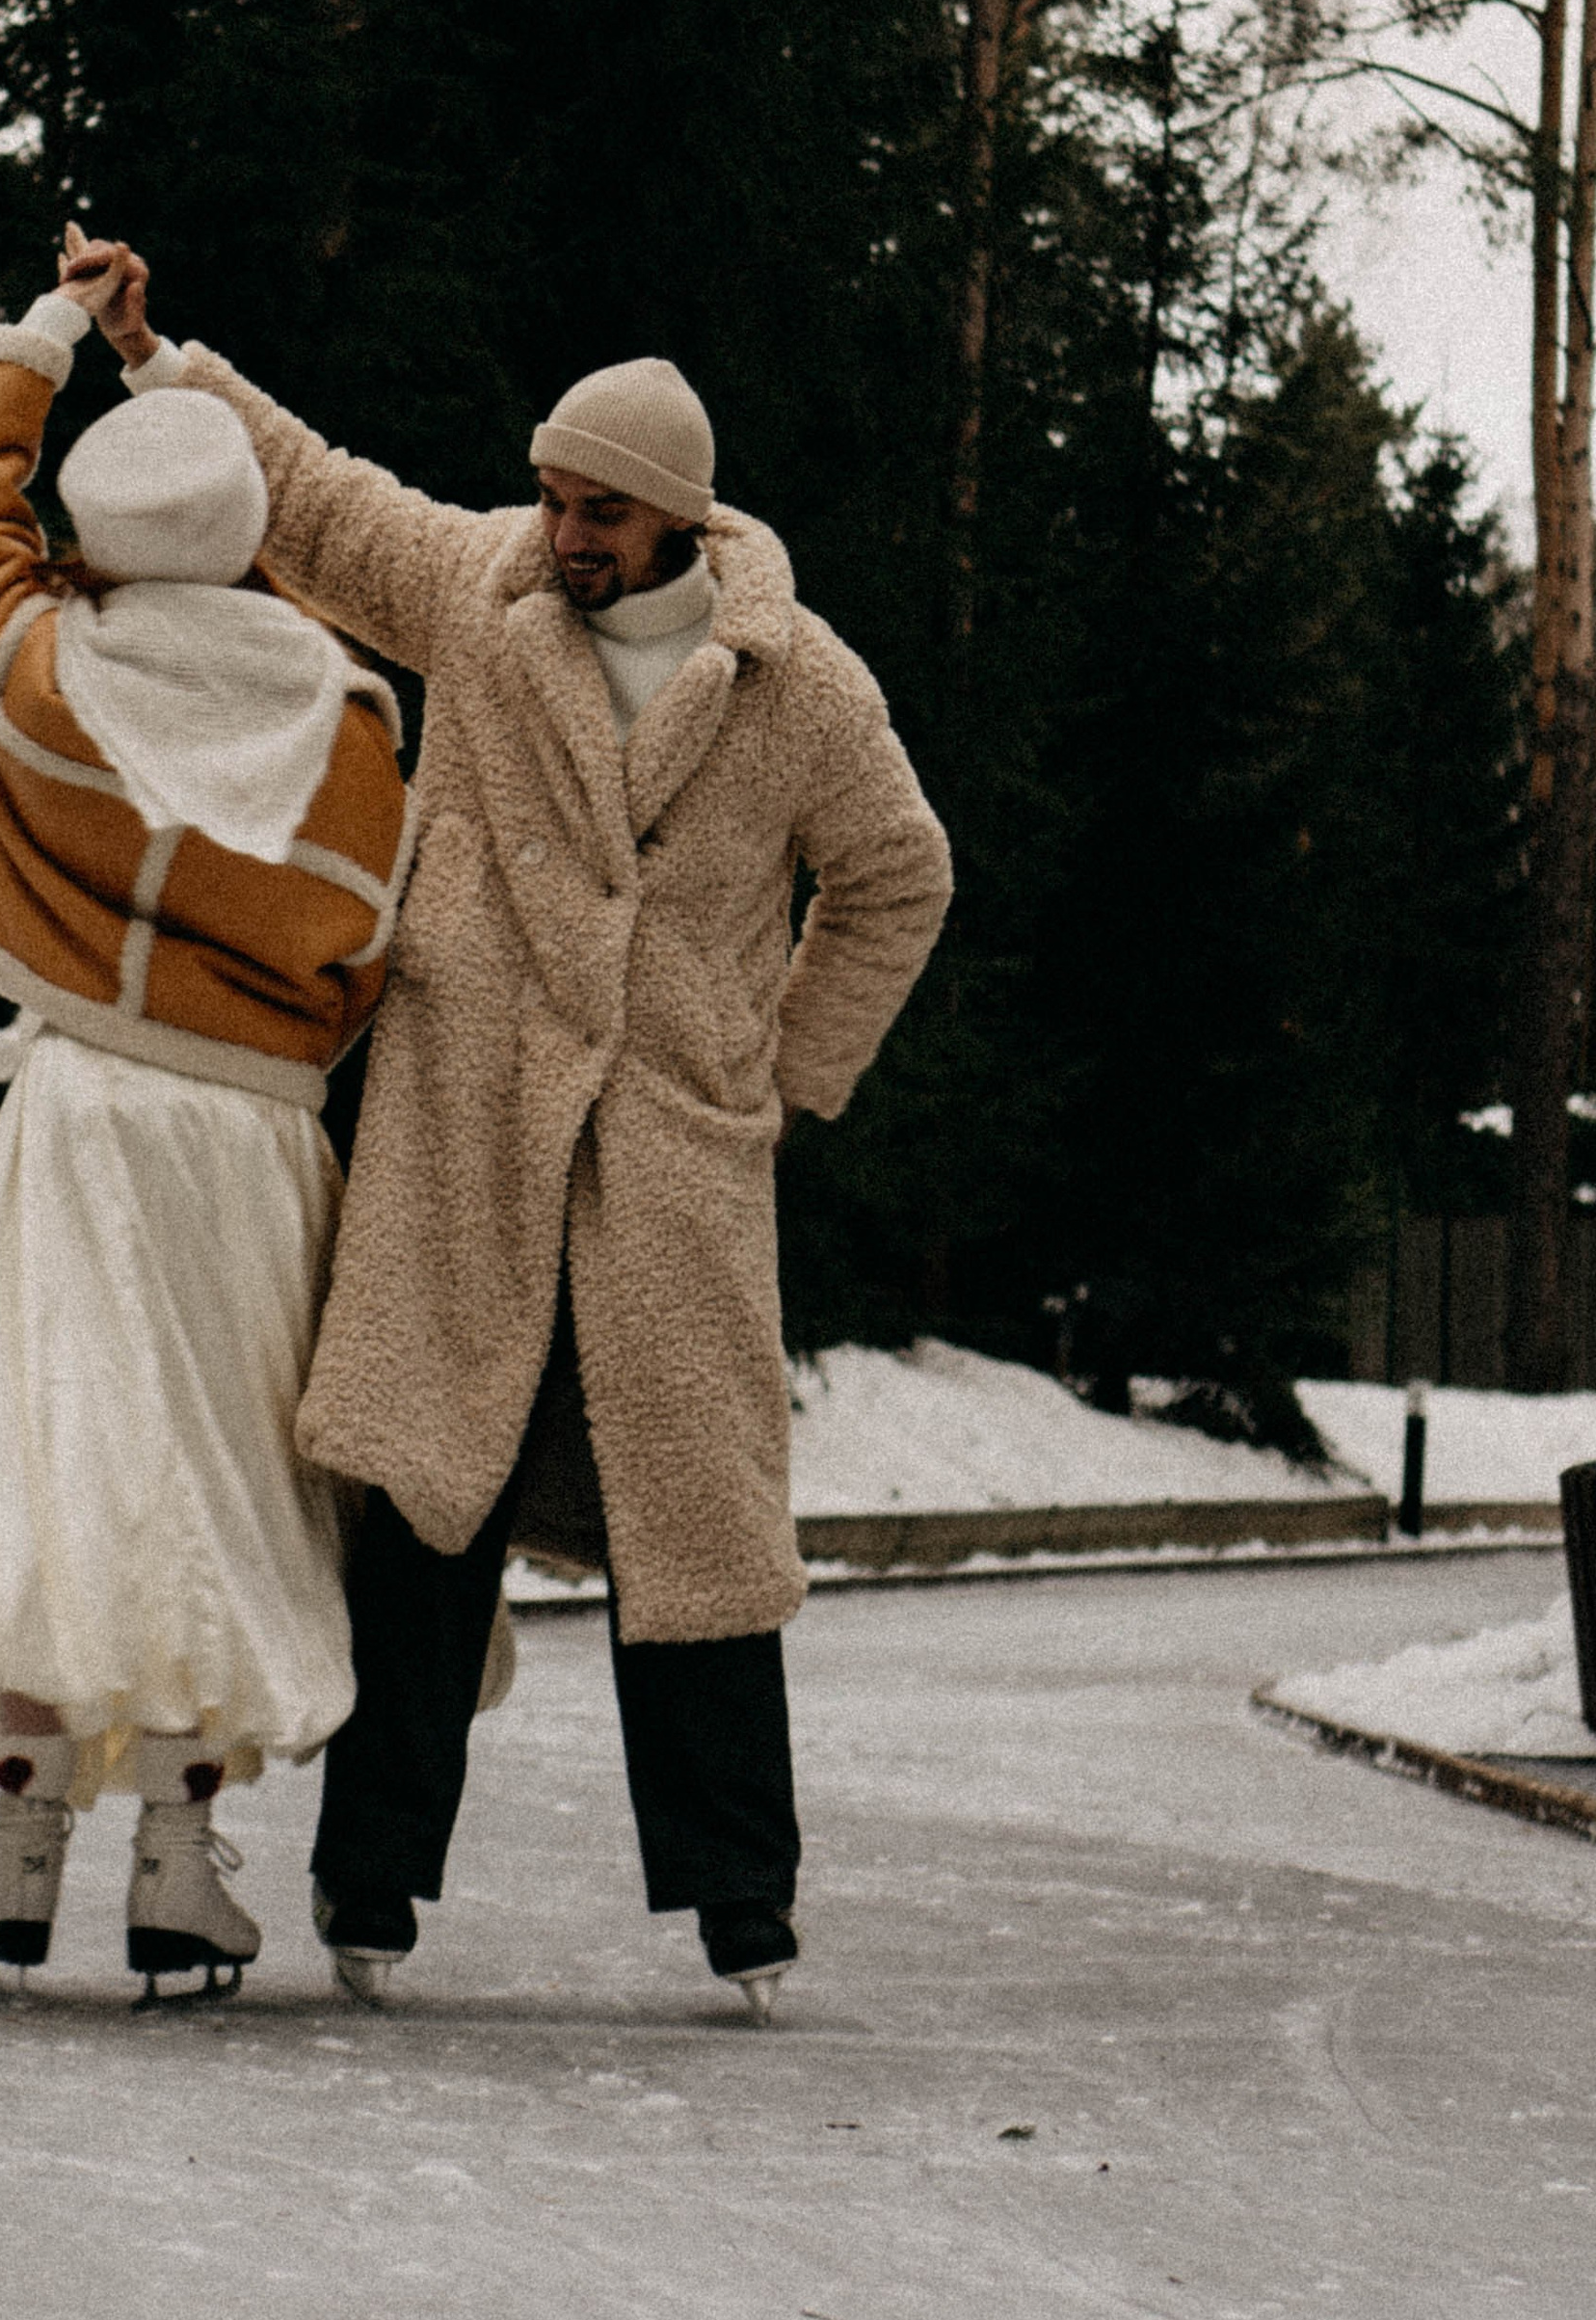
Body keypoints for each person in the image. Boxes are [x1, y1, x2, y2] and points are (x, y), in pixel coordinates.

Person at [66, 239, 953, 2017]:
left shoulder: (804, 687)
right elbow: (315, 506)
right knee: (419, 1524)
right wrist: (157, 357)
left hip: (669, 1169)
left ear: (675, 520)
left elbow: (898, 878)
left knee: (695, 1547)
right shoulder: (482, 594)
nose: (559, 535)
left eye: (595, 514)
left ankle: (744, 1910)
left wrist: (771, 1075)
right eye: (549, 500)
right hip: (466, 1132)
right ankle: (366, 1892)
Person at [0, 232, 411, 2001]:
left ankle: (22, 1831)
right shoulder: (350, 720)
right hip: (250, 1129)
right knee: (214, 1483)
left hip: (77, 1111)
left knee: (58, 1456)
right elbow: (373, 941)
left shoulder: (44, 673)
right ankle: (180, 1856)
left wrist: (55, 334)